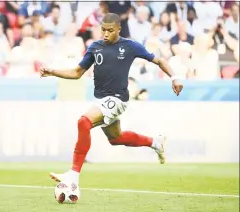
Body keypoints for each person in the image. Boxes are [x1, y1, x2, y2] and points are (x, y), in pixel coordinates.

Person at [40, 13, 183, 185]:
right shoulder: (95, 47)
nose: (106, 34)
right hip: (101, 99)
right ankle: (155, 142)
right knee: (116, 138)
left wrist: (174, 78)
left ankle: (73, 175)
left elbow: (159, 61)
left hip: (118, 98)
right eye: (103, 30)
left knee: (83, 122)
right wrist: (52, 72)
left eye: (110, 30)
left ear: (118, 29)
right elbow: (77, 73)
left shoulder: (130, 46)